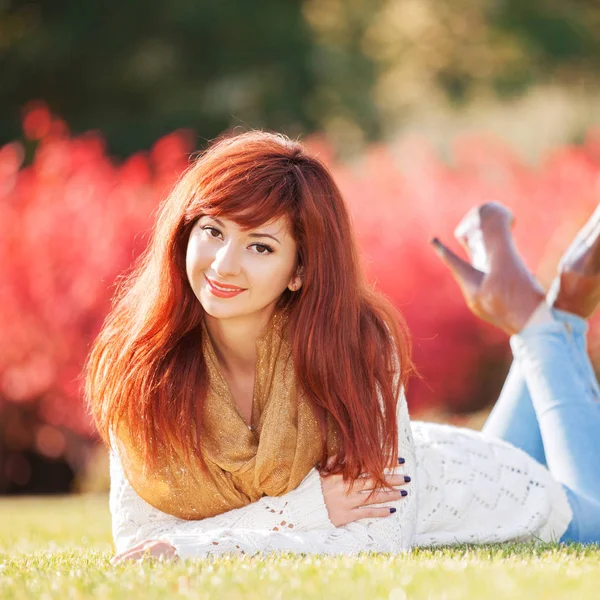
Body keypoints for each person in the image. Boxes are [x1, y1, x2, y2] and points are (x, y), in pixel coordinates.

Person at [84, 131, 600, 563]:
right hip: (435, 457)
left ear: (300, 270)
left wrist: (197, 547)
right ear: (183, 233)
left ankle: (543, 321)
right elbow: (139, 546)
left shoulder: (356, 346)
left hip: (487, 495)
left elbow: (381, 537)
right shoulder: (145, 366)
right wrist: (313, 505)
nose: (223, 264)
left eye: (260, 245)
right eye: (213, 231)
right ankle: (555, 316)